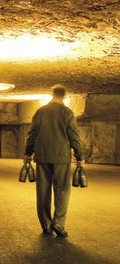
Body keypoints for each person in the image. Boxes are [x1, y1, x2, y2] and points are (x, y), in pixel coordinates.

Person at [24, 84, 84, 237]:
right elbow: (74, 136)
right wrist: (79, 156)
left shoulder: (40, 112)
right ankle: (58, 223)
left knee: (43, 191)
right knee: (62, 190)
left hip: (42, 156)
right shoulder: (67, 113)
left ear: (52, 94)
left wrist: (28, 153)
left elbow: (32, 134)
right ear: (64, 96)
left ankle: (46, 225)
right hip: (61, 157)